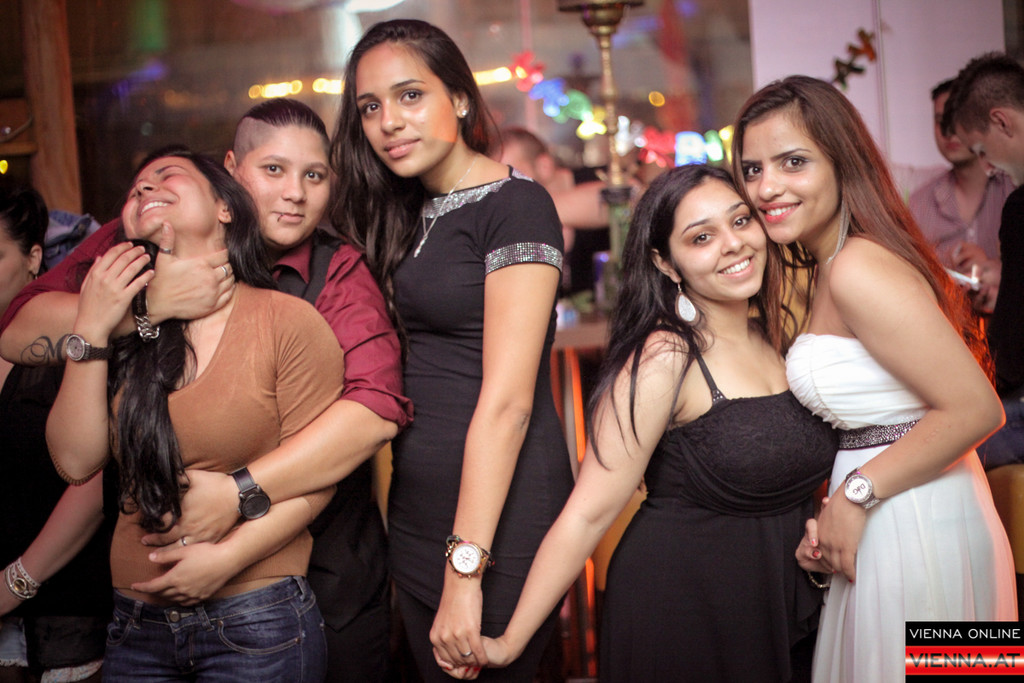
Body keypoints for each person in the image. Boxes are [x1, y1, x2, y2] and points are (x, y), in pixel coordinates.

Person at [0, 99, 411, 680]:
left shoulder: (326, 282)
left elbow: (373, 411)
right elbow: (21, 331)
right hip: (137, 616)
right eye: (274, 169)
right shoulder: (132, 253)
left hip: (300, 581)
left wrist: (237, 498)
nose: (294, 193)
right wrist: (139, 306)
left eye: (314, 176)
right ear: (232, 176)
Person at [460, 164, 836, 682]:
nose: (733, 244)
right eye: (701, 237)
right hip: (682, 612)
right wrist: (509, 641)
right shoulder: (665, 356)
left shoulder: (776, 334)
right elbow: (587, 515)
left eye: (740, 220)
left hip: (777, 604)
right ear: (666, 263)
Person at [734, 75, 1016, 682]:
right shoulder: (834, 263)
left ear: (843, 162)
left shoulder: (858, 266)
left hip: (918, 524)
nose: (766, 187)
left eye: (793, 162)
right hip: (903, 511)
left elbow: (977, 409)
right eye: (752, 169)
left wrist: (855, 495)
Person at [331, 19, 574, 681]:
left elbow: (509, 405)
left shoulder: (517, 206)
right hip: (417, 508)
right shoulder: (405, 209)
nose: (388, 121)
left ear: (460, 98)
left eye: (410, 95)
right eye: (370, 107)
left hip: (500, 516)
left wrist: (466, 569)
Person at [45, 147, 343, 681]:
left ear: (226, 207)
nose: (144, 187)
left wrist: (226, 560)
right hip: (134, 626)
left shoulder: (287, 321)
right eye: (136, 187)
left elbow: (320, 477)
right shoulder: (128, 331)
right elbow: (75, 461)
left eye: (168, 174)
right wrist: (91, 326)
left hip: (256, 619)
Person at [0, 179, 110, 683]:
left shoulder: (70, 341)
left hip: (65, 614)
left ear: (33, 258)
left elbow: (94, 477)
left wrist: (16, 581)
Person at [943, 52, 1024, 470]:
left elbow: (1011, 357)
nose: (988, 166)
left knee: (947, 449)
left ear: (1002, 121)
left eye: (981, 149)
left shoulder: (1019, 207)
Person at [908, 78, 1013, 314]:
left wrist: (999, 270)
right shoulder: (919, 203)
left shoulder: (1012, 188)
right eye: (940, 120)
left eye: (957, 118)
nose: (948, 131)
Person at [497, 127, 610, 295]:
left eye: (510, 175)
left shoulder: (595, 178)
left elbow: (629, 197)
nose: (501, 188)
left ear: (544, 166)